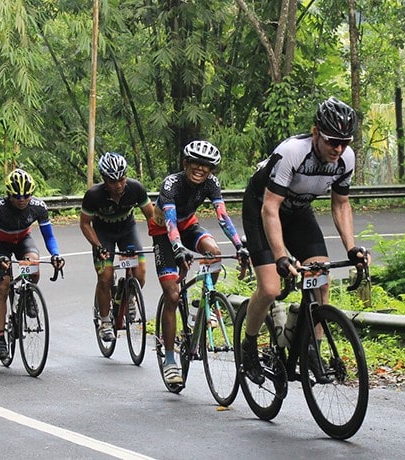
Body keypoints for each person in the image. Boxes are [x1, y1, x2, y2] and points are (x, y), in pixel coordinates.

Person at [239, 97, 369, 384]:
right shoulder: (292, 153)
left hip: (298, 210)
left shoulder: (345, 159)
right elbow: (270, 208)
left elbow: (341, 205)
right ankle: (248, 346)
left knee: (321, 276)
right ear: (315, 133)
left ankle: (312, 348)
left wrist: (351, 247)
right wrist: (281, 255)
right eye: (332, 141)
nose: (338, 149)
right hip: (262, 208)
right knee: (271, 288)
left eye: (344, 142)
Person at [149, 140, 248, 384]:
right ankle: (170, 360)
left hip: (189, 226)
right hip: (164, 233)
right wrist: (178, 249)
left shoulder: (212, 184)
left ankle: (198, 311)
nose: (200, 169)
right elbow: (170, 223)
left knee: (213, 252)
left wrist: (239, 246)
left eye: (207, 166)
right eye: (195, 163)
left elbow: (223, 217)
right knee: (172, 296)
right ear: (185, 163)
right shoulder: (172, 183)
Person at [0, 168, 65, 361]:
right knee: (3, 287)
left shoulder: (38, 206)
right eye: (18, 196)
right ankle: (1, 339)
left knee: (34, 265)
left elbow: (49, 236)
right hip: (0, 245)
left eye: (26, 196)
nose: (22, 200)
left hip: (23, 240)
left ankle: (28, 296)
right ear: (9, 195)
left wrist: (55, 254)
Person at [80, 152, 154, 342]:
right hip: (103, 235)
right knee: (104, 277)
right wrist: (97, 246)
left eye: (122, 179)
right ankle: (105, 321)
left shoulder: (136, 188)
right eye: (113, 181)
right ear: (104, 179)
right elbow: (85, 224)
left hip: (127, 231)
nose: (119, 185)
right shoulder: (94, 195)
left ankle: (128, 295)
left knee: (140, 272)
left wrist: (159, 240)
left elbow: (151, 217)